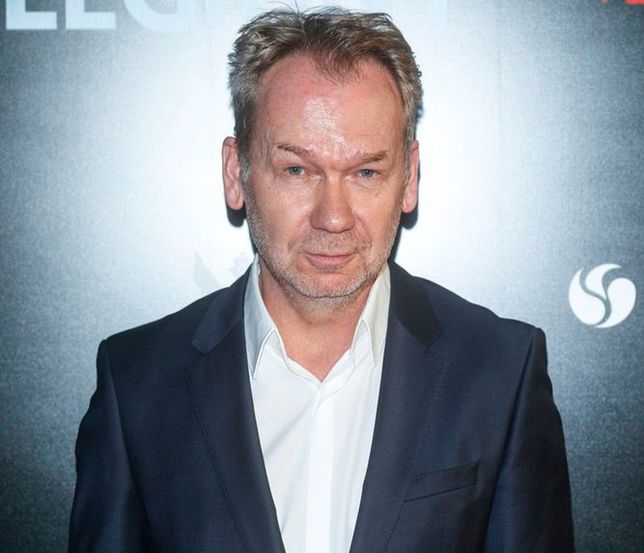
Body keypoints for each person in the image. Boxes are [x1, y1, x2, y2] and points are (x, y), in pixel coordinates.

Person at [69, 7, 574, 553]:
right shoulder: (139, 384)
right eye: (297, 170)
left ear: (409, 177)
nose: (333, 217)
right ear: (237, 172)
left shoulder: (500, 373)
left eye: (366, 172)